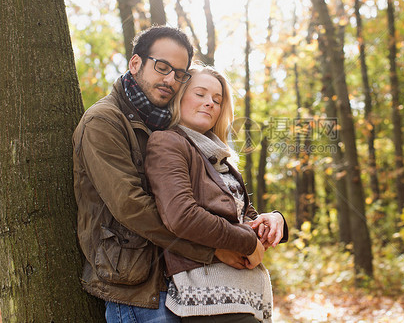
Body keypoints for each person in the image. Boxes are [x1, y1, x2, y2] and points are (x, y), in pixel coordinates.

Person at [73, 26, 219, 322]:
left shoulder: (167, 125)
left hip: (182, 281)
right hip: (135, 285)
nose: (171, 80)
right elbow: (131, 206)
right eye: (162, 67)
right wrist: (212, 249)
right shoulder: (103, 121)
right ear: (136, 63)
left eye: (180, 74)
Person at [144, 65, 288, 322]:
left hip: (246, 295)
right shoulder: (168, 142)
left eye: (217, 100)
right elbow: (182, 216)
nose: (209, 103)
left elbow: (240, 216)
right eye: (200, 94)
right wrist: (247, 241)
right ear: (179, 97)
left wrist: (274, 220)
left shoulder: (218, 155)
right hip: (210, 298)